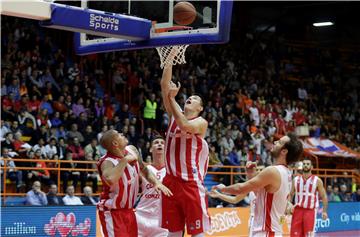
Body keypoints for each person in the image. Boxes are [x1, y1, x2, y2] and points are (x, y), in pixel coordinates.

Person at [212, 133, 303, 237]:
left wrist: (223, 189)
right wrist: (251, 175)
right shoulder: (287, 172)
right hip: (271, 230)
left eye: (279, 142)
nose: (275, 142)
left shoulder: (273, 171)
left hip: (266, 232)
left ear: (284, 151)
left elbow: (240, 188)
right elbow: (261, 194)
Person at [160, 61, 210, 237]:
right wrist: (169, 61)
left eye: (195, 98)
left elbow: (184, 124)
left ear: (200, 108)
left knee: (197, 233)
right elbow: (164, 86)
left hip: (190, 183)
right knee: (173, 232)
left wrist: (172, 98)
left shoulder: (201, 123)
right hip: (170, 182)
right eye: (190, 96)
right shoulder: (174, 114)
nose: (190, 98)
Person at [96, 129, 172, 237]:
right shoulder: (107, 162)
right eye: (119, 134)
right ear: (115, 143)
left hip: (130, 212)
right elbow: (110, 179)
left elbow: (144, 170)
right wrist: (125, 160)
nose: (122, 134)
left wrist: (156, 183)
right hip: (113, 212)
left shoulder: (132, 150)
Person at [209, 162, 257, 237]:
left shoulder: (263, 182)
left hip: (265, 220)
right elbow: (235, 200)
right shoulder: (248, 186)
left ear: (257, 171)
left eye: (252, 170)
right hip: (254, 220)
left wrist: (224, 189)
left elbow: (238, 188)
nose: (249, 173)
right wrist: (219, 195)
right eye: (248, 171)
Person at [136, 135, 168, 237]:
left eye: (162, 143)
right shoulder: (144, 170)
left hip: (161, 219)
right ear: (150, 149)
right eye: (156, 142)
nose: (159, 144)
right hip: (141, 216)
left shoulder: (171, 171)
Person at [289, 158, 328, 237]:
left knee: (308, 235)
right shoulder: (295, 180)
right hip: (297, 211)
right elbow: (291, 194)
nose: (306, 165)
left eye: (308, 164)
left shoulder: (317, 180)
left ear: (312, 167)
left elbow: (324, 196)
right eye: (304, 164)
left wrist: (324, 211)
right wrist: (288, 205)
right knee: (294, 235)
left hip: (310, 211)